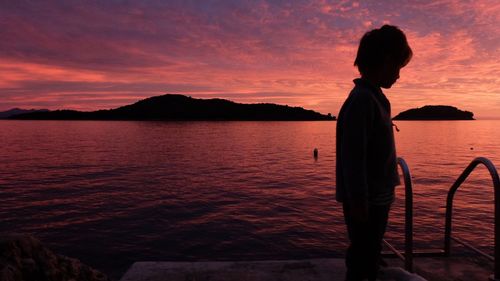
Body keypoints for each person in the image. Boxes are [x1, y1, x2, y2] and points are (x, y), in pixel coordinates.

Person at [336, 25, 412, 281]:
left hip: (377, 196)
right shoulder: (363, 100)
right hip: (367, 200)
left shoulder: (374, 97)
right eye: (398, 67)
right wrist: (359, 202)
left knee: (369, 250)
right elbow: (353, 158)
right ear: (386, 61)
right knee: (363, 254)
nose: (399, 75)